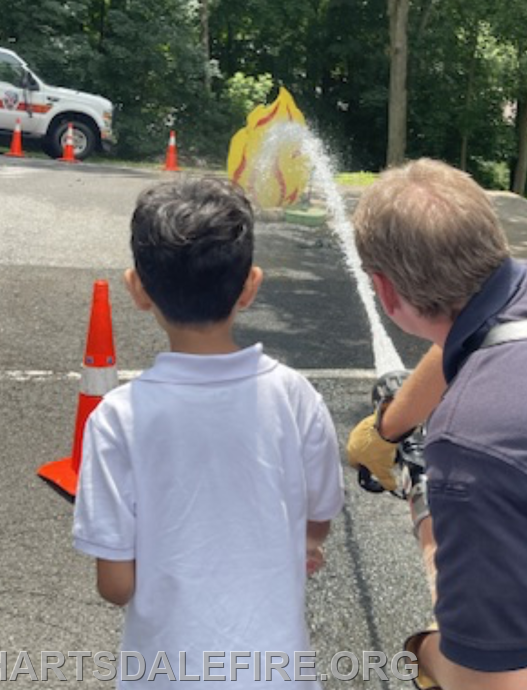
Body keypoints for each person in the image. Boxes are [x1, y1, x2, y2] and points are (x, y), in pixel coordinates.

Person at [347, 158, 527, 690]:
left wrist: (429, 644)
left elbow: (505, 687)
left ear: (384, 290)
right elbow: (471, 333)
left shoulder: (476, 446)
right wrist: (390, 428)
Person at [73, 177, 344, 687]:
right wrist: (306, 543)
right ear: (250, 286)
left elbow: (115, 584)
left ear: (137, 288)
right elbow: (320, 515)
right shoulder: (295, 396)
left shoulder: (118, 417)